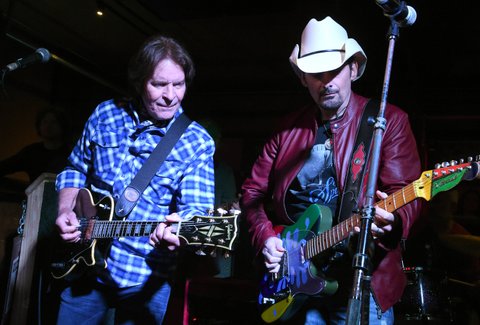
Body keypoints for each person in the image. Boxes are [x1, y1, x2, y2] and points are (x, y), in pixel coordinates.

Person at [240, 16, 423, 324]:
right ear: (302, 78)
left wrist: (393, 221)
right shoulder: (286, 130)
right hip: (295, 279)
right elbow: (252, 194)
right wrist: (266, 238)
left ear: (353, 68)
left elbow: (408, 192)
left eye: (334, 70)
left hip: (361, 284)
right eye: (315, 74)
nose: (326, 82)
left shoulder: (386, 121)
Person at [54, 35, 215, 324]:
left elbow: (197, 211)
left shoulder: (197, 141)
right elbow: (74, 169)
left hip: (144, 278)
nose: (171, 95)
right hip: (83, 265)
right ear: (140, 82)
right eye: (159, 84)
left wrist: (178, 231)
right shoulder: (105, 114)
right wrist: (66, 210)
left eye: (179, 84)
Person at [0, 107, 71, 184]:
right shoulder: (31, 152)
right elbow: (6, 166)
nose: (48, 126)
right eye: (44, 122)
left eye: (54, 122)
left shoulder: (70, 154)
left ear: (62, 126)